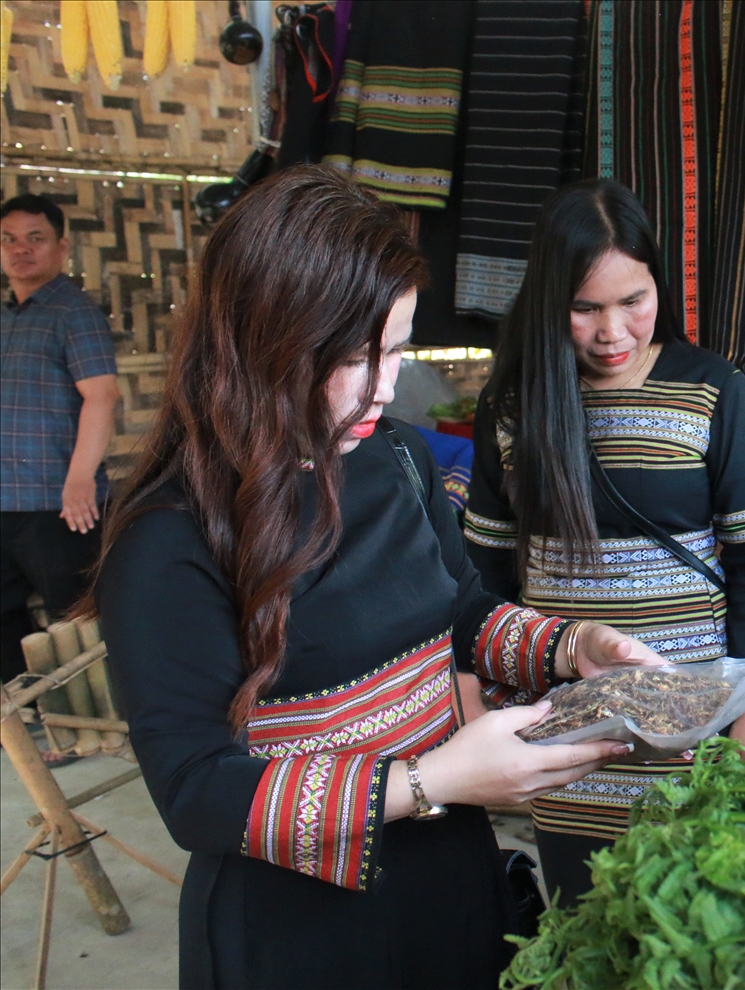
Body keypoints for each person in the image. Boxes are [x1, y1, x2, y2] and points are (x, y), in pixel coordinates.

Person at [84, 166, 665, 990]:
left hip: (448, 877)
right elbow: (197, 793)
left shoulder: (394, 457)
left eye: (395, 350)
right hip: (298, 927)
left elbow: (459, 607)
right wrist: (435, 779)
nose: (387, 387)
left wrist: (573, 647)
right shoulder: (169, 539)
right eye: (359, 357)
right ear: (268, 339)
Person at [463, 178, 745, 907]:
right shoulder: (513, 404)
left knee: (692, 924)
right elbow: (482, 574)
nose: (612, 331)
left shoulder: (712, 390)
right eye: (585, 309)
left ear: (658, 287)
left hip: (693, 718)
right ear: (551, 301)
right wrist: (476, 708)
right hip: (565, 730)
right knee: (585, 924)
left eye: (631, 301)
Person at [1, 194, 120, 686]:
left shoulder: (74, 312)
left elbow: (102, 397)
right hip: (6, 501)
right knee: (7, 621)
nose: (21, 250)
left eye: (36, 238)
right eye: (9, 239)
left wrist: (78, 482)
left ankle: (81, 732)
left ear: (61, 246)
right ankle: (24, 723)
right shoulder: (7, 316)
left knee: (73, 624)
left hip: (61, 505)